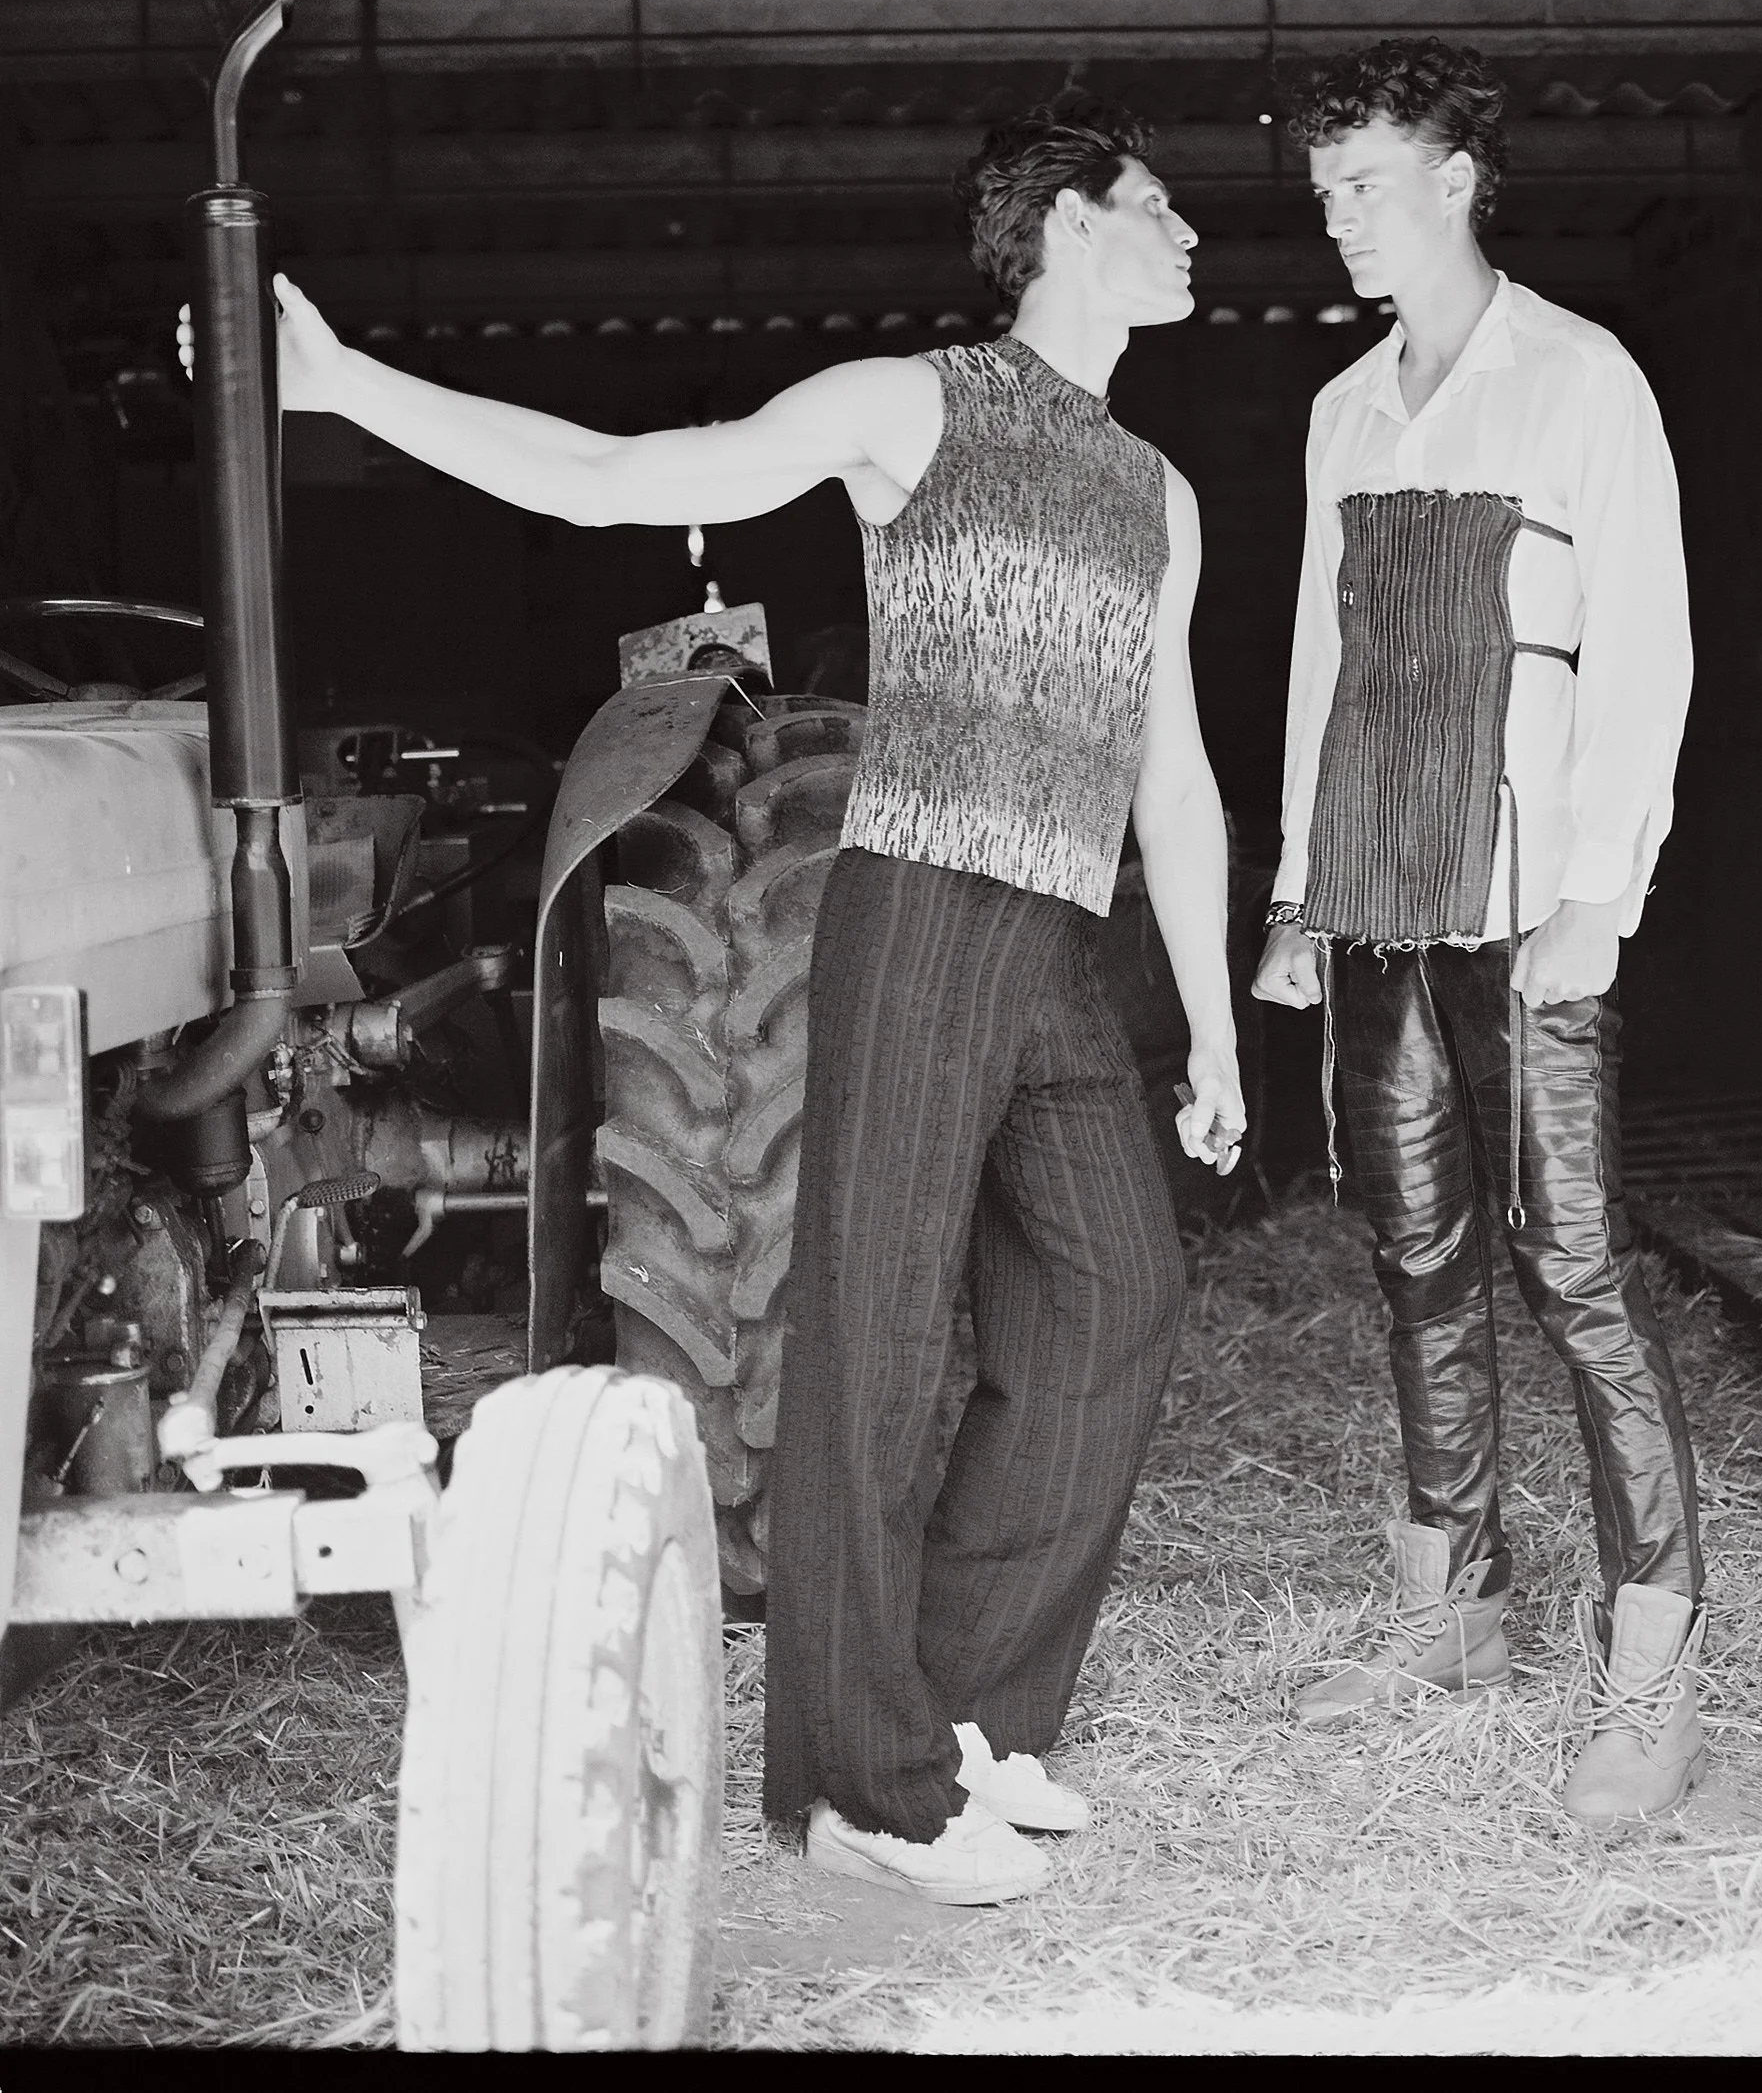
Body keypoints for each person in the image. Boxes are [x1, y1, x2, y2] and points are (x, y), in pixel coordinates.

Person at [254, 97, 1245, 1902]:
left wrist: (1220, 1025)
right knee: (870, 1342)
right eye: (1159, 206)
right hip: (921, 896)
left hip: (1050, 930)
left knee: (1120, 1286)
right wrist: (350, 390)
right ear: (1068, 227)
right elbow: (624, 474)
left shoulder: (1160, 493)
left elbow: (1172, 775)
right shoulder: (917, 403)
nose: (1193, 234)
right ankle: (861, 1788)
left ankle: (962, 1714)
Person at [1252, 40, 1706, 1825]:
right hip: (1381, 901)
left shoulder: (1583, 379)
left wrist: (1607, 893)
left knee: (1576, 1272)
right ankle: (1455, 1603)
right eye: (1324, 193)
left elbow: (1650, 648)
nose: (1340, 218)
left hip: (1535, 910)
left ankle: (1655, 1662)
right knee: (1418, 1256)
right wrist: (1296, 891)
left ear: (1456, 176)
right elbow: (1320, 665)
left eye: (1364, 182)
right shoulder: (1343, 411)